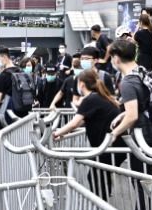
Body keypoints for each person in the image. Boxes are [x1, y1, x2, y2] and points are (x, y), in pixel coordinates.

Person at [109, 39, 152, 210]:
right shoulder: (143, 73)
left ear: (116, 58)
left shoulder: (128, 82)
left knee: (141, 182)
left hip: (144, 137)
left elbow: (133, 116)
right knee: (143, 181)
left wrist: (114, 134)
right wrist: (123, 114)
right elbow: (140, 106)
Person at [53, 69, 125, 199]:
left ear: (81, 84)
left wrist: (56, 133)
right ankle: (102, 209)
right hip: (112, 146)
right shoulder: (99, 97)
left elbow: (75, 123)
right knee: (100, 178)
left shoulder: (90, 99)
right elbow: (82, 122)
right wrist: (63, 132)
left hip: (109, 147)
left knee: (96, 179)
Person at [0, 47, 32, 125]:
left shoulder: (4, 75)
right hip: (23, 113)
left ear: (4, 57)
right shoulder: (21, 71)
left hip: (9, 115)